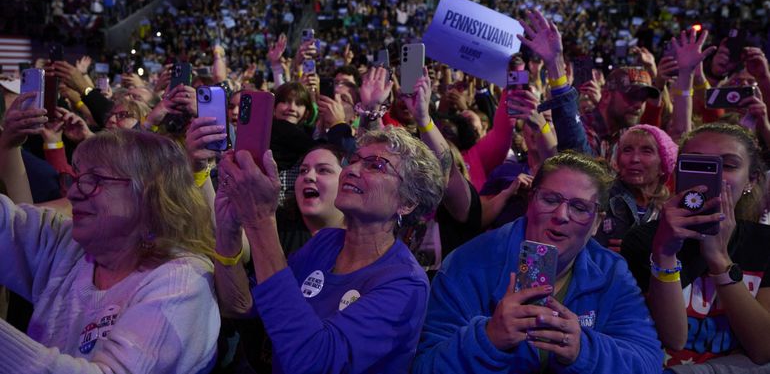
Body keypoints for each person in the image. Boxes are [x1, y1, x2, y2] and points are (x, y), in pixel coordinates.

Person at [213, 127, 444, 373]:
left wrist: (260, 219)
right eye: (353, 160)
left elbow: (312, 363)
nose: (352, 170)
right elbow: (240, 305)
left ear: (407, 203)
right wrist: (227, 230)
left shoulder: (405, 284)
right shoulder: (325, 242)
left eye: (376, 165)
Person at [413, 152, 663, 374]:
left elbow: (648, 363)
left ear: (597, 222)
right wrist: (488, 340)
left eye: (579, 207)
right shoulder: (469, 263)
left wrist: (583, 350)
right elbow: (426, 366)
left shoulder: (611, 271)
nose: (561, 215)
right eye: (551, 199)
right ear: (530, 202)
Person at [0, 127, 220, 373]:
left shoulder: (180, 283)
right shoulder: (73, 247)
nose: (73, 193)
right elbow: (6, 223)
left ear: (150, 193)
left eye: (94, 180)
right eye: (77, 177)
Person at [621, 123, 770, 372]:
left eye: (729, 165)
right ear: (678, 173)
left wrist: (719, 258)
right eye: (696, 164)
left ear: (751, 180)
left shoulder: (763, 242)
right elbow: (673, 339)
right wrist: (665, 252)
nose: (712, 176)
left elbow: (763, 348)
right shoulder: (643, 240)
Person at [595, 124, 678, 251]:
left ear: (664, 165)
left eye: (646, 151)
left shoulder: (670, 212)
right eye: (627, 150)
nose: (634, 159)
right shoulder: (600, 198)